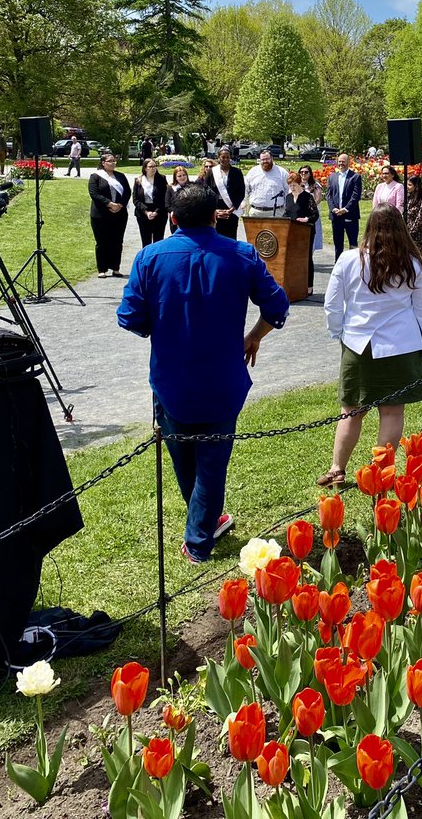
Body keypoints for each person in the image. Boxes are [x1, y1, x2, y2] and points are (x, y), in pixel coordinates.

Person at [117, 185, 289, 562]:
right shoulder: (242, 255)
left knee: (187, 458)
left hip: (171, 379)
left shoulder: (149, 257)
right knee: (209, 461)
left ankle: (199, 539)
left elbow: (129, 317)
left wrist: (160, 327)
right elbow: (278, 305)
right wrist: (254, 337)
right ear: (215, 216)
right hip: (222, 379)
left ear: (173, 219)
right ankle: (203, 527)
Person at [318, 205, 422, 486]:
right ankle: (381, 472)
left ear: (369, 227)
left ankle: (337, 468)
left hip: (358, 343)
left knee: (351, 410)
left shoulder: (347, 260)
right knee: (392, 412)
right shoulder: (412, 264)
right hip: (401, 346)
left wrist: (339, 334)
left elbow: (332, 306)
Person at [88, 151, 131, 278]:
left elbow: (127, 192)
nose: (113, 163)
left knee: (117, 241)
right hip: (100, 214)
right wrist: (109, 204)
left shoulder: (121, 176)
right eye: (110, 161)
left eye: (114, 161)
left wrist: (120, 205)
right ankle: (102, 269)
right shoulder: (95, 176)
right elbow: (94, 193)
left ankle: (115, 268)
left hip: (119, 213)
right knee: (102, 241)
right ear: (103, 163)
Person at [285, 169, 320, 294]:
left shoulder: (307, 197)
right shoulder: (288, 197)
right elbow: (287, 213)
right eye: (290, 186)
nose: (292, 188)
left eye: (294, 185)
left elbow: (315, 215)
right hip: (292, 233)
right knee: (293, 259)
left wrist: (306, 219)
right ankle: (295, 284)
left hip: (306, 232)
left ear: (300, 184)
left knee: (306, 259)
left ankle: (309, 286)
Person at [326, 152, 363, 261]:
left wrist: (345, 209)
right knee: (338, 244)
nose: (341, 163)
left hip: (350, 215)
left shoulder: (355, 177)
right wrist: (333, 208)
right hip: (336, 216)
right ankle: (338, 265)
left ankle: (354, 266)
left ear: (348, 162)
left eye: (343, 161)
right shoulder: (332, 177)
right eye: (339, 161)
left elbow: (355, 196)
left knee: (353, 244)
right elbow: (329, 195)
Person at [208, 146, 246, 239]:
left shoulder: (237, 172)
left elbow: (241, 192)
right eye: (223, 157)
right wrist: (214, 210)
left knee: (231, 237)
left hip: (232, 208)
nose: (225, 159)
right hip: (216, 209)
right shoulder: (212, 172)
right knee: (216, 238)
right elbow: (206, 191)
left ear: (230, 158)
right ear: (219, 157)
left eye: (227, 157)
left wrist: (232, 208)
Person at [243, 148, 290, 220]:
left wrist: (288, 209)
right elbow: (245, 189)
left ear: (272, 158)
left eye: (267, 159)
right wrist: (243, 203)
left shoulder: (282, 173)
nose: (265, 161)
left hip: (276, 213)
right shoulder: (253, 172)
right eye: (262, 159)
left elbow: (288, 191)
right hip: (255, 213)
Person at [133, 158, 169, 246]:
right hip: (143, 214)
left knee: (158, 241)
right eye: (150, 167)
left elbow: (165, 197)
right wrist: (146, 212)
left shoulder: (162, 179)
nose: (153, 168)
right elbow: (135, 199)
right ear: (145, 168)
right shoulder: (138, 180)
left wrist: (156, 212)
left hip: (159, 213)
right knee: (146, 241)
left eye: (155, 166)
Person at [299, 165, 324, 253]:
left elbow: (318, 198)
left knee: (312, 239)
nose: (303, 174)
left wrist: (309, 208)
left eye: (306, 172)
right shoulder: (297, 185)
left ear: (310, 174)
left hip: (312, 215)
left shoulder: (315, 185)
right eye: (301, 172)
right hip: (300, 216)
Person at [167, 165, 192, 232]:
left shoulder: (192, 186)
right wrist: (177, 212)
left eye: (184, 175)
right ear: (175, 178)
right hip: (175, 218)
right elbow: (167, 204)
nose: (182, 177)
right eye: (179, 176)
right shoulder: (170, 188)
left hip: (190, 218)